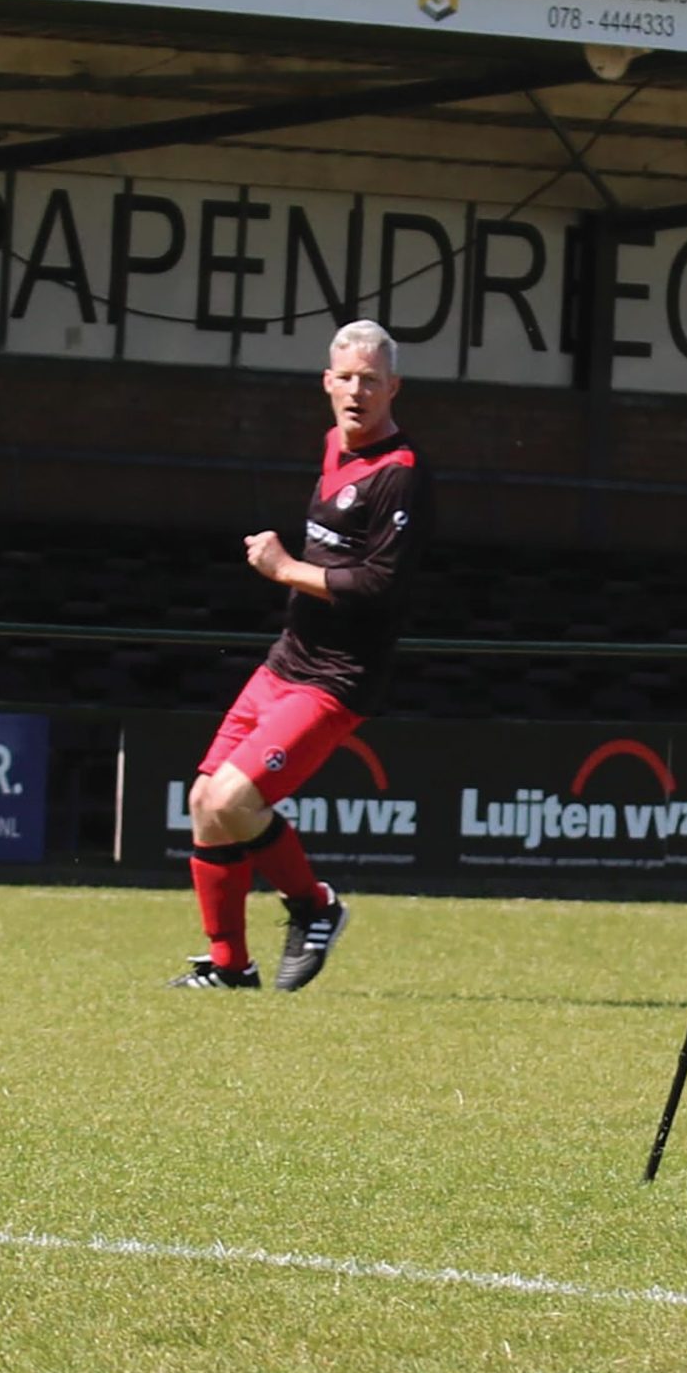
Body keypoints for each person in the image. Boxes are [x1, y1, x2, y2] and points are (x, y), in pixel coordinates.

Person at [170, 320, 432, 992]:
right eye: (346, 377)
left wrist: (284, 568)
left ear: (393, 387)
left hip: (339, 678)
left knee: (233, 800)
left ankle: (315, 906)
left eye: (371, 380)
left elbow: (378, 586)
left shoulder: (399, 476)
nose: (357, 391)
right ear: (327, 382)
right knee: (204, 801)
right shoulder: (331, 447)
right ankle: (231, 968)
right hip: (287, 661)